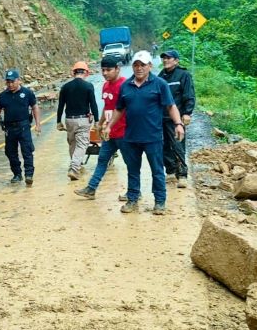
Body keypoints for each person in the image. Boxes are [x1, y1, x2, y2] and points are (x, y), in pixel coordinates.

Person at [105, 51, 185, 215]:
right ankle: (132, 200)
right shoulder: (126, 86)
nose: (139, 68)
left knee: (157, 170)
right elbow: (119, 109)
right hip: (131, 137)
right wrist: (109, 126)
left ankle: (160, 202)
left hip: (153, 137)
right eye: (136, 65)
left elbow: (170, 106)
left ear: (150, 66)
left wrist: (178, 124)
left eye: (143, 65)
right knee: (133, 170)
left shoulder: (159, 84)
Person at [74, 56, 127, 199]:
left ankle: (135, 192)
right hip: (110, 133)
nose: (104, 73)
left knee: (131, 163)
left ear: (117, 69)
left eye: (108, 70)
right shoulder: (106, 86)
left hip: (124, 131)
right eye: (103, 70)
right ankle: (91, 188)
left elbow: (126, 108)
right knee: (102, 160)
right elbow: (107, 107)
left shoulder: (125, 85)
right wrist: (100, 123)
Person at [0, 69, 41, 185]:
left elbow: (35, 108)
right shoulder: (3, 96)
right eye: (8, 82)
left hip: (23, 127)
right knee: (10, 152)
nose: (10, 84)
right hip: (9, 129)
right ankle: (17, 174)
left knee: (27, 151)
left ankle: (29, 174)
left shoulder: (27, 93)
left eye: (12, 82)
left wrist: (38, 124)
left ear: (18, 80)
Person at [158, 49, 196, 188]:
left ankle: (182, 175)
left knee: (177, 145)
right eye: (164, 58)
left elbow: (189, 95)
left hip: (176, 119)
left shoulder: (183, 75)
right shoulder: (161, 76)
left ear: (176, 60)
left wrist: (187, 113)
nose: (166, 60)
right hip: (161, 117)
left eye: (169, 58)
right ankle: (171, 170)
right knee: (163, 146)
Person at [57, 60, 99, 180]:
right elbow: (93, 104)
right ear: (86, 73)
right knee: (82, 144)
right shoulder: (88, 86)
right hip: (83, 120)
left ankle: (77, 165)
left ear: (73, 73)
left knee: (72, 143)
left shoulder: (65, 87)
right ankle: (74, 168)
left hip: (69, 120)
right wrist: (96, 121)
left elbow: (60, 106)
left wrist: (58, 121)